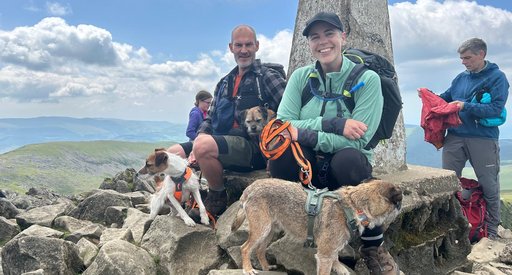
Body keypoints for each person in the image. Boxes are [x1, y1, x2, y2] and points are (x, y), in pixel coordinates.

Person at [268, 12, 399, 274]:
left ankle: (372, 246)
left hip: (345, 171)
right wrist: (335, 124)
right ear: (309, 44)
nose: (323, 42)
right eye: (315, 37)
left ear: (343, 37)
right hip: (309, 167)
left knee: (350, 159)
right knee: (281, 156)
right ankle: (299, 227)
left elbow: (359, 139)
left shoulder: (367, 80)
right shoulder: (301, 78)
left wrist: (303, 131)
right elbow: (282, 128)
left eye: (329, 34)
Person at [167, 24, 286, 220]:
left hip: (254, 148)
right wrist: (200, 138)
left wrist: (275, 152)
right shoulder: (224, 82)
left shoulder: (267, 77)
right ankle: (180, 198)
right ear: (231, 48)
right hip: (221, 142)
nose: (244, 50)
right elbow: (211, 118)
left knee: (203, 146)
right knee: (171, 154)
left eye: (248, 45)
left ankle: (217, 196)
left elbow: (289, 111)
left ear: (257, 46)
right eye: (238, 45)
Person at [421, 38, 509, 239]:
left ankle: (492, 232)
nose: (463, 62)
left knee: (489, 184)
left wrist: (465, 106)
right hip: (455, 137)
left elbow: (495, 108)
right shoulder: (460, 78)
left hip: (483, 138)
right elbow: (446, 98)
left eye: (467, 58)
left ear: (481, 54)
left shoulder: (498, 78)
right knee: (447, 182)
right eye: (461, 58)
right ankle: (450, 226)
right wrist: (428, 95)